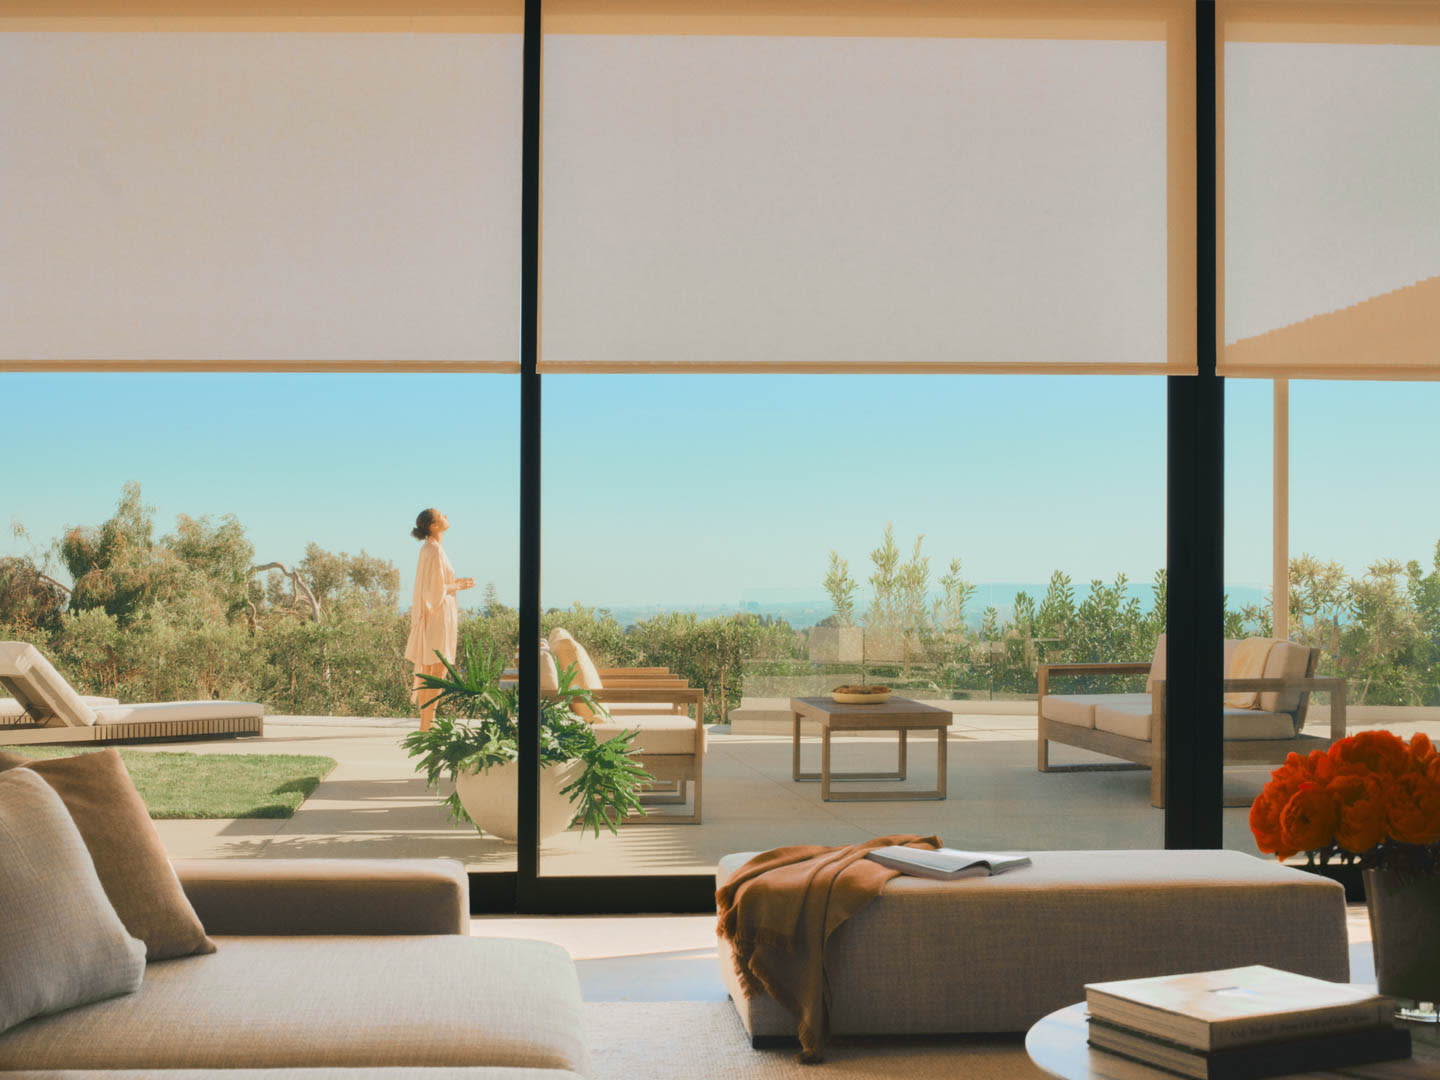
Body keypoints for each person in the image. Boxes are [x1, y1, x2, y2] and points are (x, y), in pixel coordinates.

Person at [404, 508, 474, 731]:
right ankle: (427, 722)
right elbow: (434, 591)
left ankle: (427, 721)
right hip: (437, 616)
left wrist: (455, 584)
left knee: (433, 669)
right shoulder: (433, 551)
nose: (446, 515)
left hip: (437, 615)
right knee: (437, 669)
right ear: (433, 526)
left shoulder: (431, 549)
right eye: (441, 515)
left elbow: (435, 585)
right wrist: (459, 585)